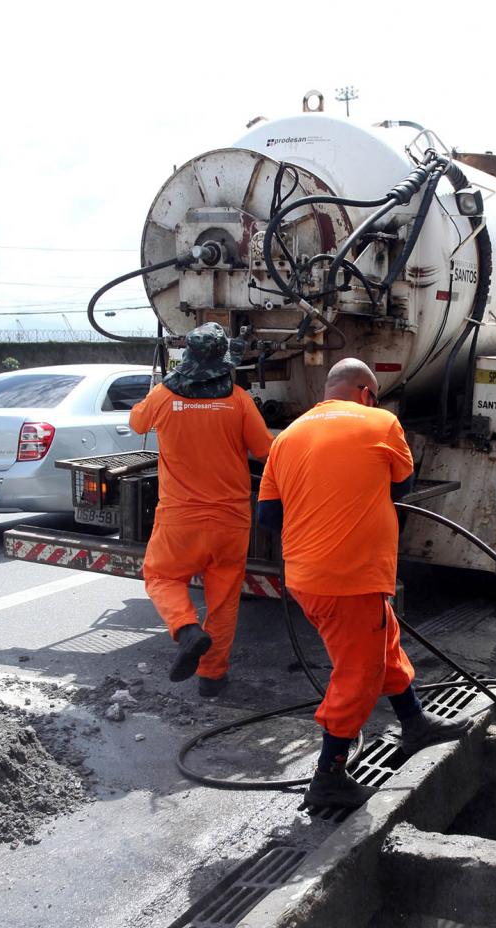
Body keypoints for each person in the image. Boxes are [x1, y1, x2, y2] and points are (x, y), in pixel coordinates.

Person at [257, 357, 466, 810]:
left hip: (306, 577)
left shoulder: (288, 436)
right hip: (349, 577)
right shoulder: (382, 421)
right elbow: (401, 487)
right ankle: (329, 777)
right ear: (366, 393)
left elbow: (269, 517)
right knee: (359, 672)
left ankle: (415, 725)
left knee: (383, 641)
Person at [130, 323, 271, 696]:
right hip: (230, 521)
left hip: (180, 520)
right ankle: (212, 678)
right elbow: (265, 450)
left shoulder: (162, 396)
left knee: (160, 578)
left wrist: (172, 382)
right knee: (223, 602)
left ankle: (187, 629)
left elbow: (137, 421)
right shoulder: (238, 400)